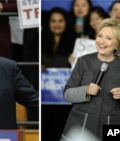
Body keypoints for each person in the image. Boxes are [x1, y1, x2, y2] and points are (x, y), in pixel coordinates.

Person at [60, 18, 120, 140]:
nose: (101, 41)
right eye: (100, 36)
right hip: (81, 126)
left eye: (108, 38)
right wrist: (85, 90)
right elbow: (67, 94)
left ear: (118, 43)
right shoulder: (84, 61)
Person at [41, 7, 76, 141]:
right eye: (53, 21)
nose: (57, 24)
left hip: (66, 102)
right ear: (48, 23)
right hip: (45, 100)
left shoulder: (75, 42)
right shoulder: (41, 42)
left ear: (66, 22)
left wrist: (75, 61)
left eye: (60, 21)